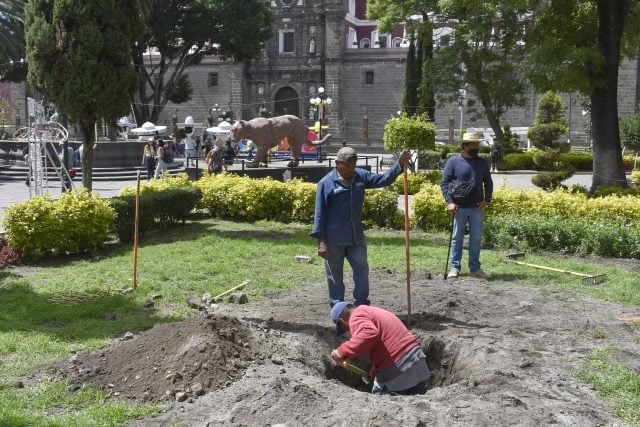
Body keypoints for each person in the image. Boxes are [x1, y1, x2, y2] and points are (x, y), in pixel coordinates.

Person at [311, 146, 410, 307]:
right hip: (334, 240)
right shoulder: (326, 183)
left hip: (356, 237)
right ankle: (338, 309)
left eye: (354, 165)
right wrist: (321, 242)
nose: (351, 168)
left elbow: (382, 179)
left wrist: (399, 165)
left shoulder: (360, 177)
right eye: (348, 165)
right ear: (337, 163)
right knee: (335, 276)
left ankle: (362, 305)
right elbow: (320, 213)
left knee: (362, 270)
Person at [330, 302, 430, 396]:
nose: (349, 331)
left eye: (344, 328)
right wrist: (374, 371)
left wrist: (341, 351)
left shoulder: (356, 317)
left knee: (378, 398)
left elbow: (369, 334)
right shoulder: (371, 311)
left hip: (400, 366)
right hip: (418, 361)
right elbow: (385, 345)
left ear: (342, 321)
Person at [440, 131, 493, 279]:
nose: (476, 147)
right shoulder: (454, 162)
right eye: (473, 144)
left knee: (475, 239)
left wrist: (487, 200)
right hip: (459, 207)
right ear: (465, 146)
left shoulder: (482, 162)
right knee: (457, 238)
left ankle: (475, 269)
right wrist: (449, 202)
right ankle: (455, 267)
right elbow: (444, 183)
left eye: (477, 144)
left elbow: (488, 183)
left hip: (477, 208)